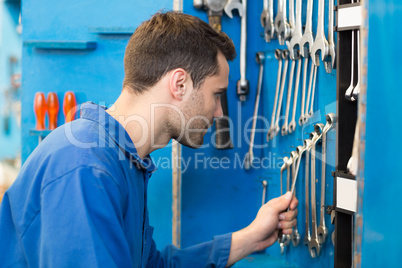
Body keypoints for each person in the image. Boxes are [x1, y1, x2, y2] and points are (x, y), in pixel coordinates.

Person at [0, 12, 298, 267]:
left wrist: (251, 237)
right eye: (216, 94)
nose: (220, 112)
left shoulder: (122, 161)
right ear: (179, 83)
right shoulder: (85, 167)